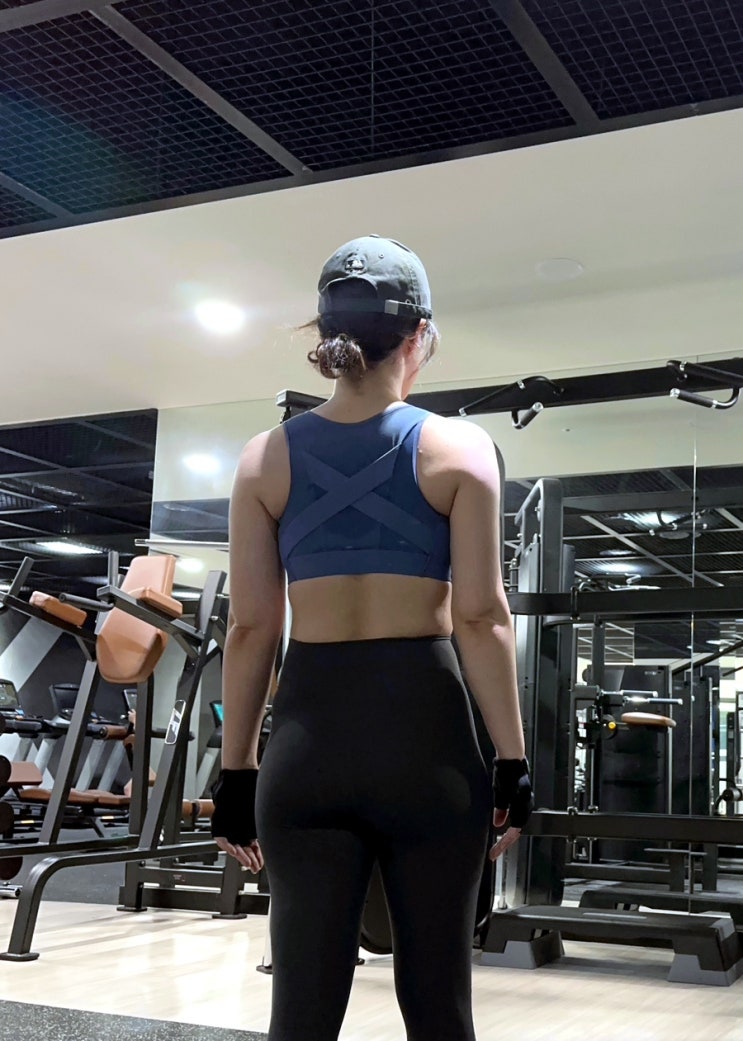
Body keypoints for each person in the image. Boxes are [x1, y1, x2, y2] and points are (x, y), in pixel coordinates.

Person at [211, 234, 533, 1041]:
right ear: (418, 334)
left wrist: (235, 769)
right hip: (426, 746)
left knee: (301, 1010)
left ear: (325, 335)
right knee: (438, 1005)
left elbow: (251, 627)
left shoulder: (263, 458)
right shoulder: (460, 448)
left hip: (307, 748)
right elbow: (481, 617)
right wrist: (512, 760)